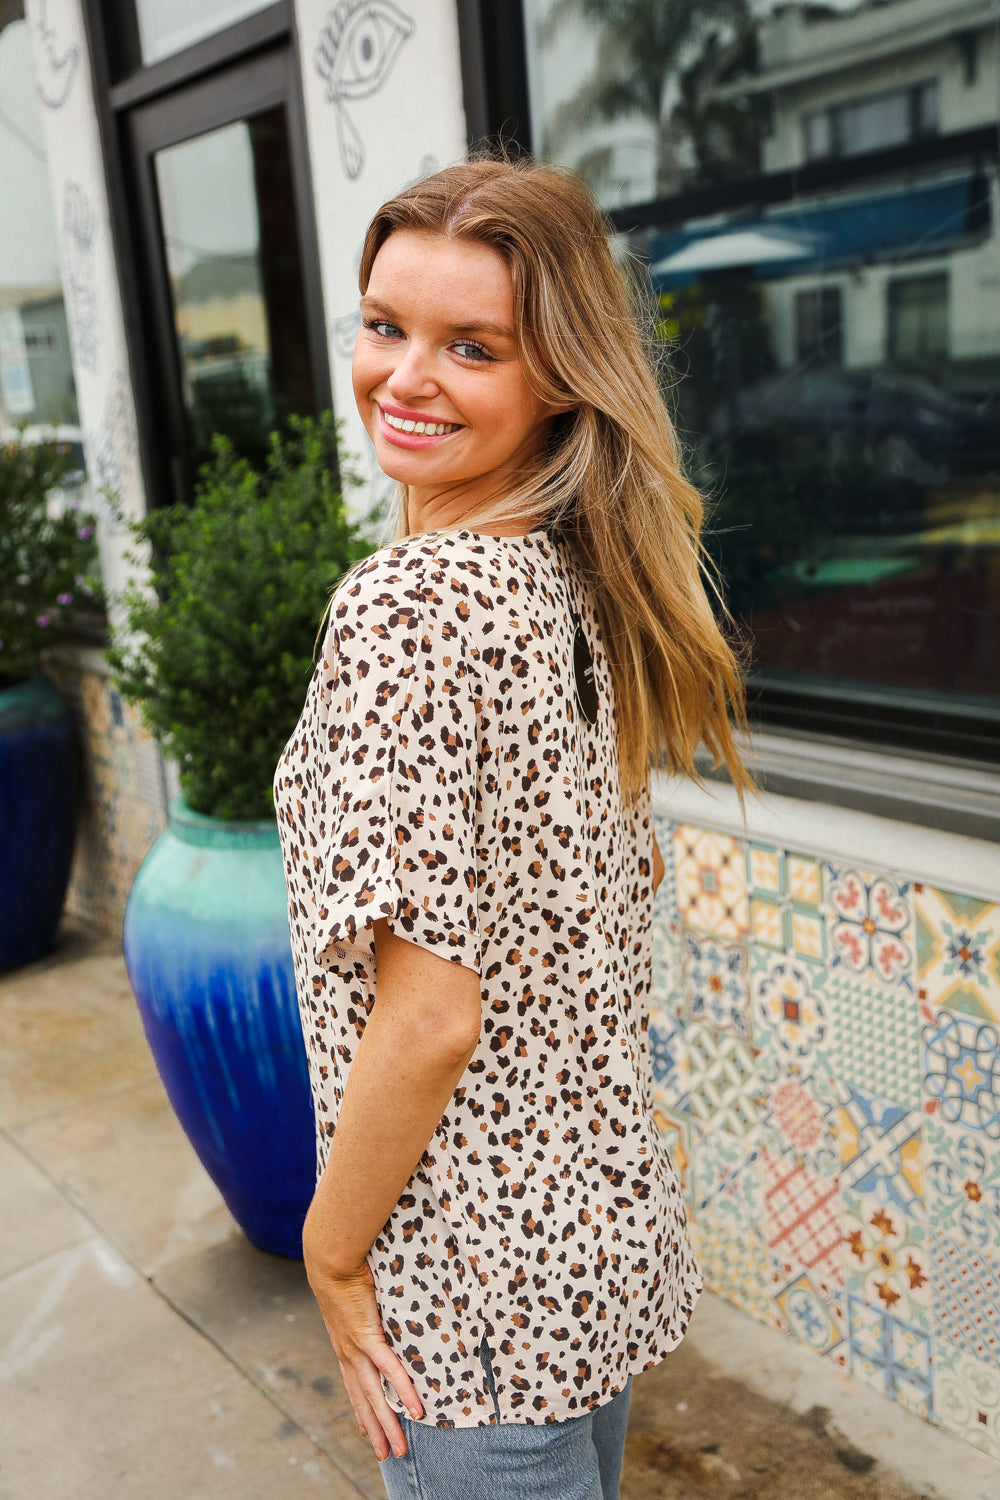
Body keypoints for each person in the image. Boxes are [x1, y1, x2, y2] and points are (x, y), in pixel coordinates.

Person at [273, 155, 751, 1500]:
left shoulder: (411, 608)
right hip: (589, 1278)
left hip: (470, 1319)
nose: (404, 378)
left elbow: (428, 1019)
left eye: (470, 346)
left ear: (558, 379)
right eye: (385, 326)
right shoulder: (573, 581)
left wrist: (328, 1249)